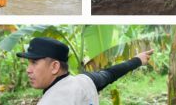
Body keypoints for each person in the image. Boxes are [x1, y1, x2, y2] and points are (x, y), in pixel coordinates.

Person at [17, 37, 153, 104]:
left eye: (34, 63)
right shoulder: (83, 82)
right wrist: (138, 60)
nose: (28, 70)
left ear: (55, 67)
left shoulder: (51, 102)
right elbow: (109, 74)